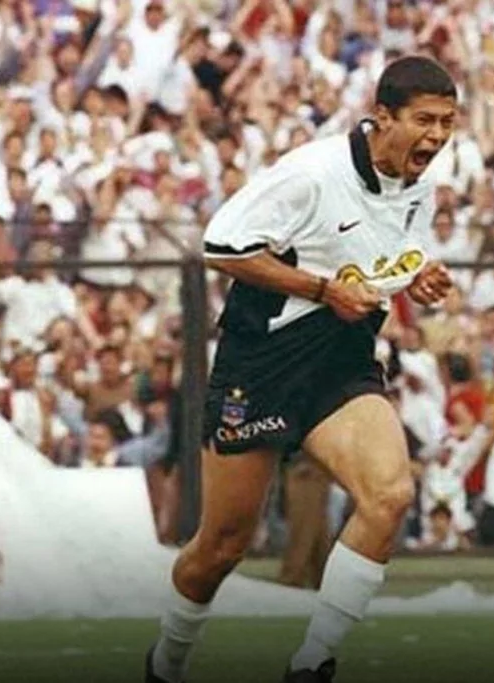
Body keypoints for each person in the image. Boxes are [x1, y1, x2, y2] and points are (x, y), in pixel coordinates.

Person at [143, 55, 458, 683]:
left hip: (341, 358)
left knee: (390, 493)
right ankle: (165, 664)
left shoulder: (422, 178)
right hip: (263, 358)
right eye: (424, 120)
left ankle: (313, 664)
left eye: (448, 122)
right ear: (382, 117)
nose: (437, 135)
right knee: (221, 547)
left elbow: (394, 244)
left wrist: (418, 273)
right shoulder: (312, 173)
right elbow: (222, 247)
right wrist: (321, 289)